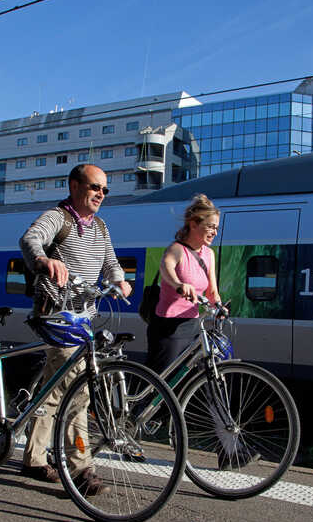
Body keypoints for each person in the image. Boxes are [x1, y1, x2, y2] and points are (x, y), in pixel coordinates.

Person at [19, 164, 132, 494]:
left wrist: (119, 280)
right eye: (95, 187)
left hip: (84, 319)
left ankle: (35, 457)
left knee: (54, 389)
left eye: (104, 190)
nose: (100, 194)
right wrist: (45, 262)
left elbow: (109, 261)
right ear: (74, 185)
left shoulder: (100, 226)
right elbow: (30, 239)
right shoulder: (59, 217)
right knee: (78, 391)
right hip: (57, 316)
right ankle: (82, 469)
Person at [146, 194, 222, 376]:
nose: (215, 232)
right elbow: (166, 268)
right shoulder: (177, 249)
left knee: (188, 379)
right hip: (168, 327)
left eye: (216, 228)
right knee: (162, 380)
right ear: (194, 224)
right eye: (211, 227)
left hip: (193, 324)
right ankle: (146, 405)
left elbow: (212, 291)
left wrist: (219, 306)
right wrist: (179, 284)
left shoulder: (209, 254)